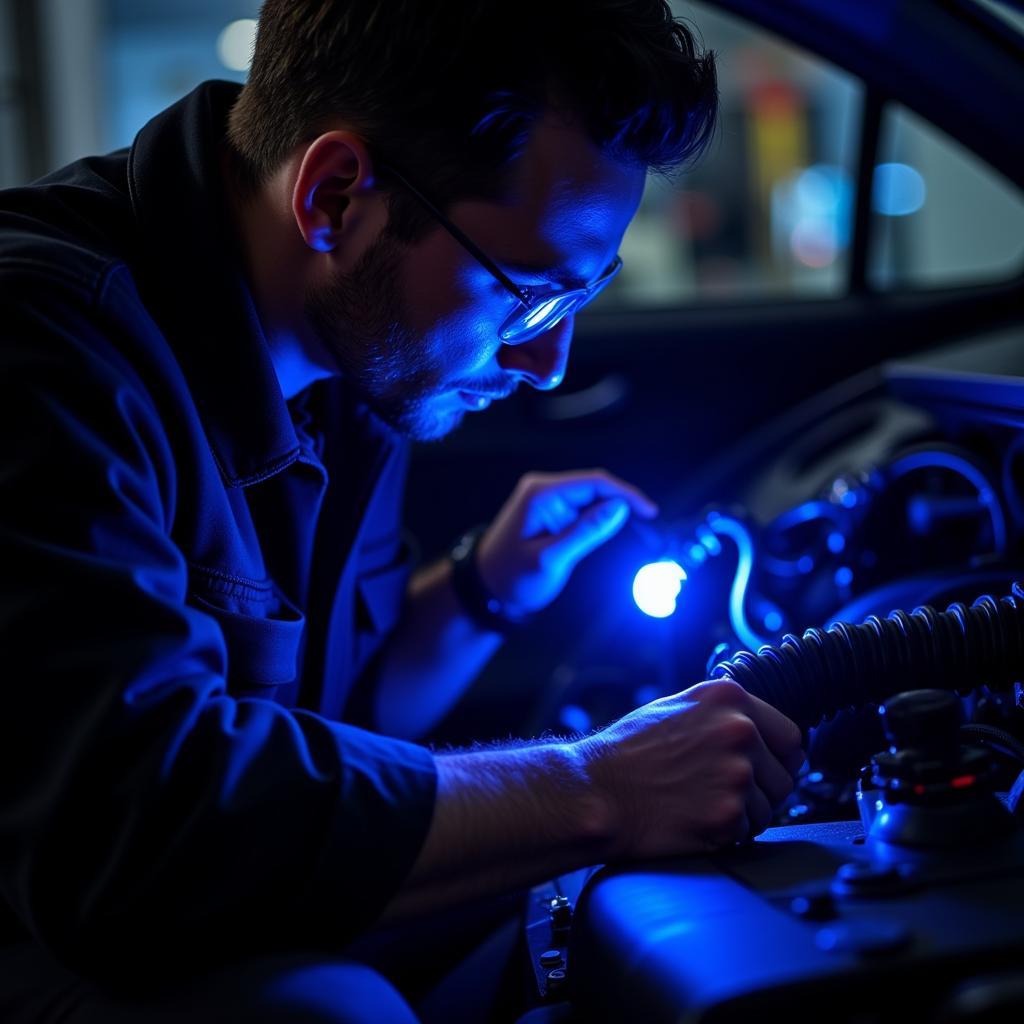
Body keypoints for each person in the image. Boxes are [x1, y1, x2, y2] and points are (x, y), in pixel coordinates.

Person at [0, 1, 804, 1021]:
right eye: (529, 295)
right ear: (336, 196)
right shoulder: (40, 350)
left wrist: (482, 591)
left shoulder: (345, 352)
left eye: (577, 299)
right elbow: (136, 833)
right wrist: (603, 787)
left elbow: (329, 728)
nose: (546, 358)